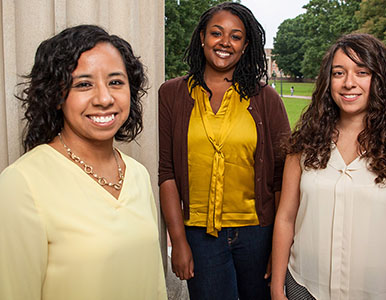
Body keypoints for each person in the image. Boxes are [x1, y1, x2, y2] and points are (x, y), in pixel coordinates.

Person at [0, 25, 167, 300]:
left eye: (115, 82)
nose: (104, 98)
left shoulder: (137, 174)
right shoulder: (21, 184)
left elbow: (154, 283)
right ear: (56, 96)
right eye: (83, 84)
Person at [271, 33, 386, 300]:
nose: (349, 83)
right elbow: (285, 218)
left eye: (362, 72)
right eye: (339, 73)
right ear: (329, 81)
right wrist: (277, 289)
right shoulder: (304, 144)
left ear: (379, 80)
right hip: (304, 288)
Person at [158, 2, 290, 300]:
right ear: (202, 37)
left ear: (245, 46)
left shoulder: (266, 99)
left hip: (258, 233)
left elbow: (283, 177)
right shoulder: (172, 94)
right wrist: (178, 240)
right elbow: (166, 172)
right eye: (217, 33)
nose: (225, 43)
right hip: (199, 236)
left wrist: (280, 249)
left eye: (236, 36)